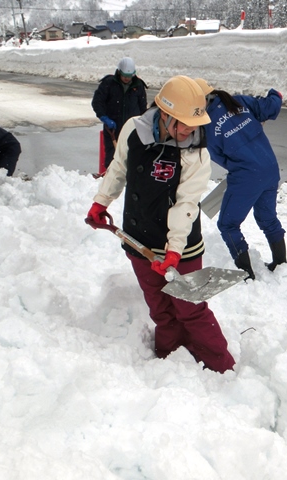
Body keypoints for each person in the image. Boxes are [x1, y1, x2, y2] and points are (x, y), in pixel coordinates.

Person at [86, 75, 235, 373]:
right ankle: (170, 361)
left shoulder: (197, 154)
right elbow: (118, 169)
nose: (188, 132)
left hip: (182, 247)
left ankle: (222, 367)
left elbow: (185, 205)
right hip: (138, 238)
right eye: (181, 124)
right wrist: (102, 201)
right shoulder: (134, 130)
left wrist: (175, 250)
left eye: (194, 126)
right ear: (163, 114)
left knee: (190, 308)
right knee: (160, 309)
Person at [200, 80, 286, 280]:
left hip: (247, 175)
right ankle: (281, 264)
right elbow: (271, 108)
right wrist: (275, 94)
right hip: (269, 167)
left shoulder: (204, 126)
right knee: (268, 219)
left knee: (228, 224)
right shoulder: (239, 102)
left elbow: (219, 156)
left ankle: (246, 273)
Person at [91, 57, 148, 169]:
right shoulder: (108, 83)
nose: (127, 79)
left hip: (132, 129)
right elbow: (97, 102)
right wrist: (104, 117)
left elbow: (143, 108)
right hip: (112, 128)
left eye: (129, 76)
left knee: (131, 157)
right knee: (112, 157)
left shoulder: (138, 85)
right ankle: (109, 179)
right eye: (124, 76)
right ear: (118, 72)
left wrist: (143, 123)